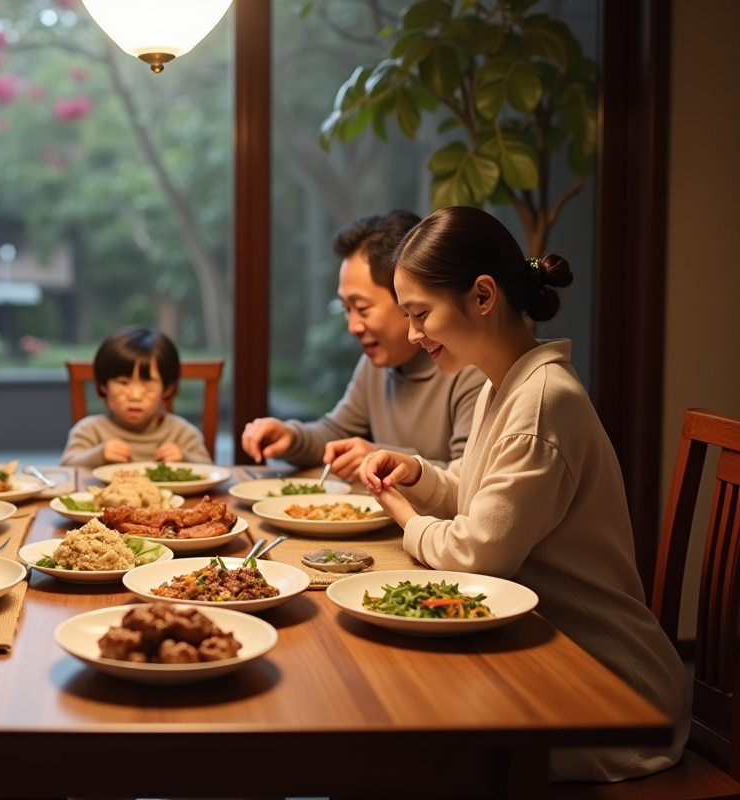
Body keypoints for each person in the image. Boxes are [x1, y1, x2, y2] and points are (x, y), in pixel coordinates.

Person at [356, 205, 689, 782]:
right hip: (548, 661)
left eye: (420, 314)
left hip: (613, 692)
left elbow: (480, 553)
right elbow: (484, 495)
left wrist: (406, 517)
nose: (412, 334)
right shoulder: (504, 385)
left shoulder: (542, 401)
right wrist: (419, 473)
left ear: (483, 296)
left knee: (394, 749)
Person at [241, 210, 485, 480]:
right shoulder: (377, 362)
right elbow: (336, 433)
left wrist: (382, 458)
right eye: (346, 308)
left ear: (407, 294)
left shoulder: (470, 365)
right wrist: (291, 436)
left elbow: (467, 480)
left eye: (362, 307)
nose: (353, 326)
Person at [60, 326, 212, 467]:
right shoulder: (90, 431)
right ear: (103, 386)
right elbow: (66, 468)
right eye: (123, 383)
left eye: (148, 385)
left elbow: (210, 470)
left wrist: (185, 458)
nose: (135, 396)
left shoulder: (181, 433)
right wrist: (98, 455)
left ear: (167, 389)